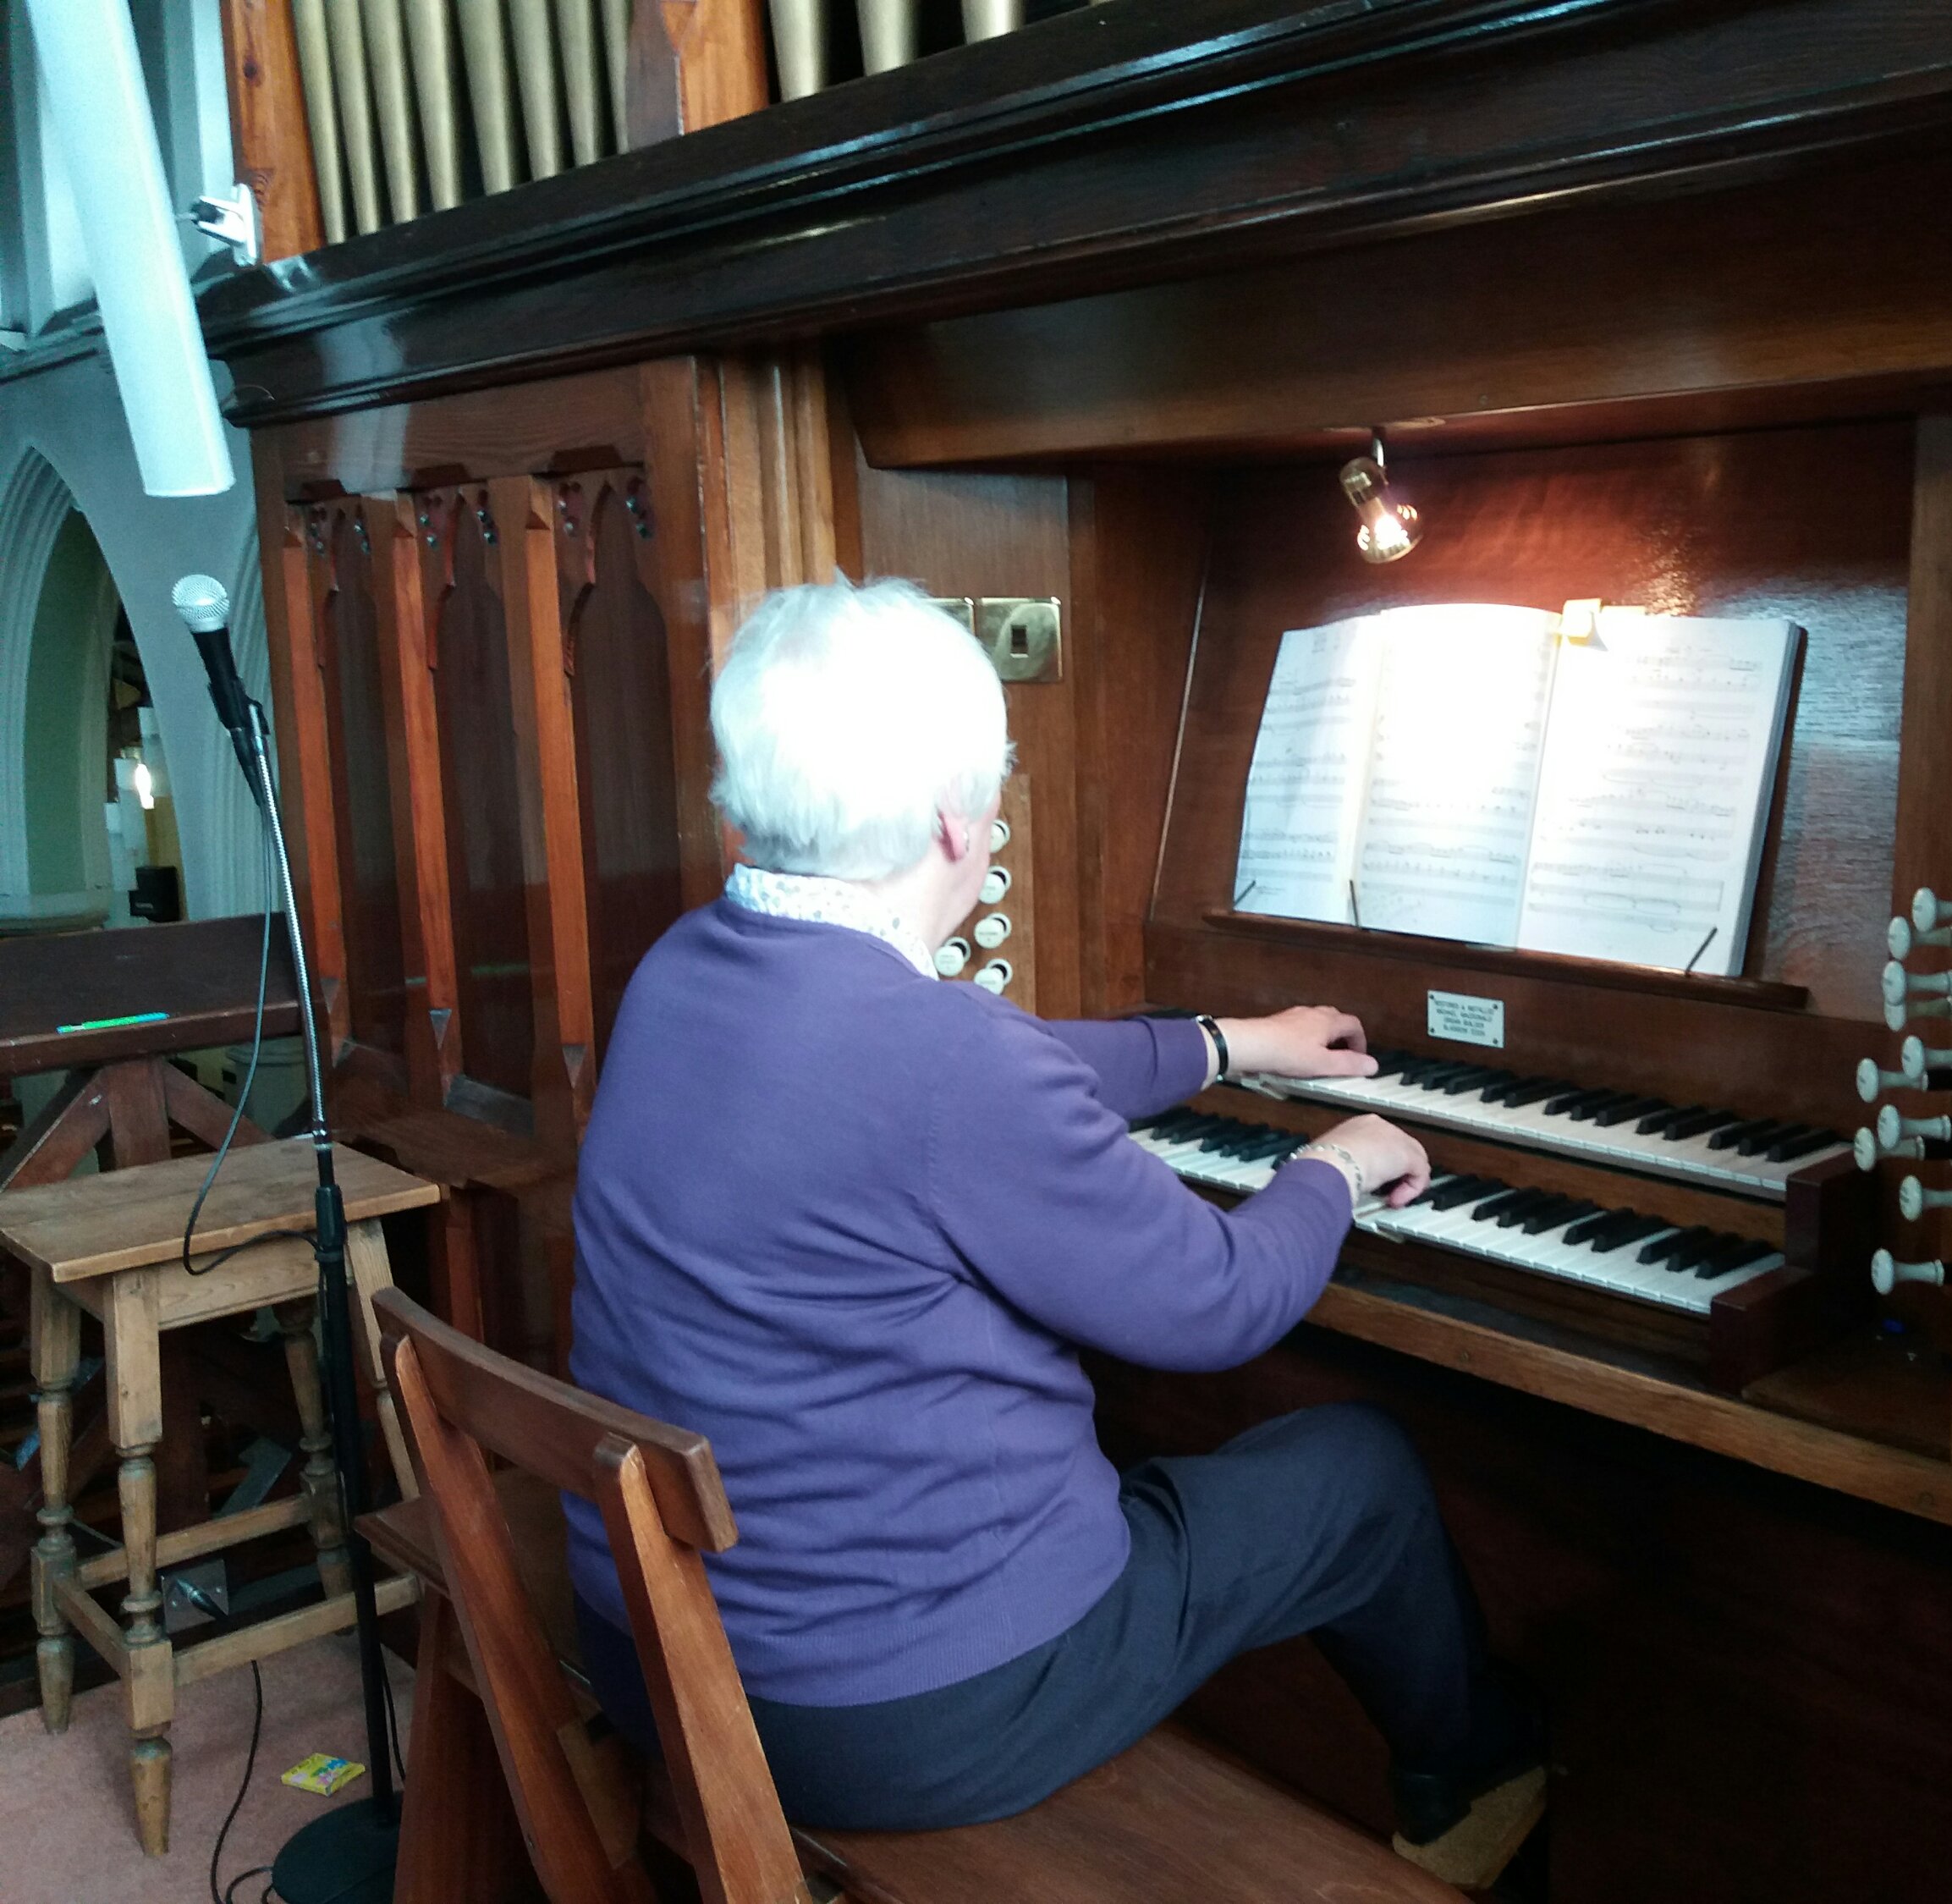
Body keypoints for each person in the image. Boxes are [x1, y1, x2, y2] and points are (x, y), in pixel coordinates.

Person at [562, 577, 1547, 1887]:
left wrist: (1228, 1043)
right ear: (954, 821)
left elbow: (988, 1069)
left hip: (660, 1644)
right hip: (892, 1714)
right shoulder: (946, 1064)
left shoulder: (688, 965)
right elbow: (1219, 1299)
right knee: (1359, 1472)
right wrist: (1337, 1163)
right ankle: (1481, 1801)